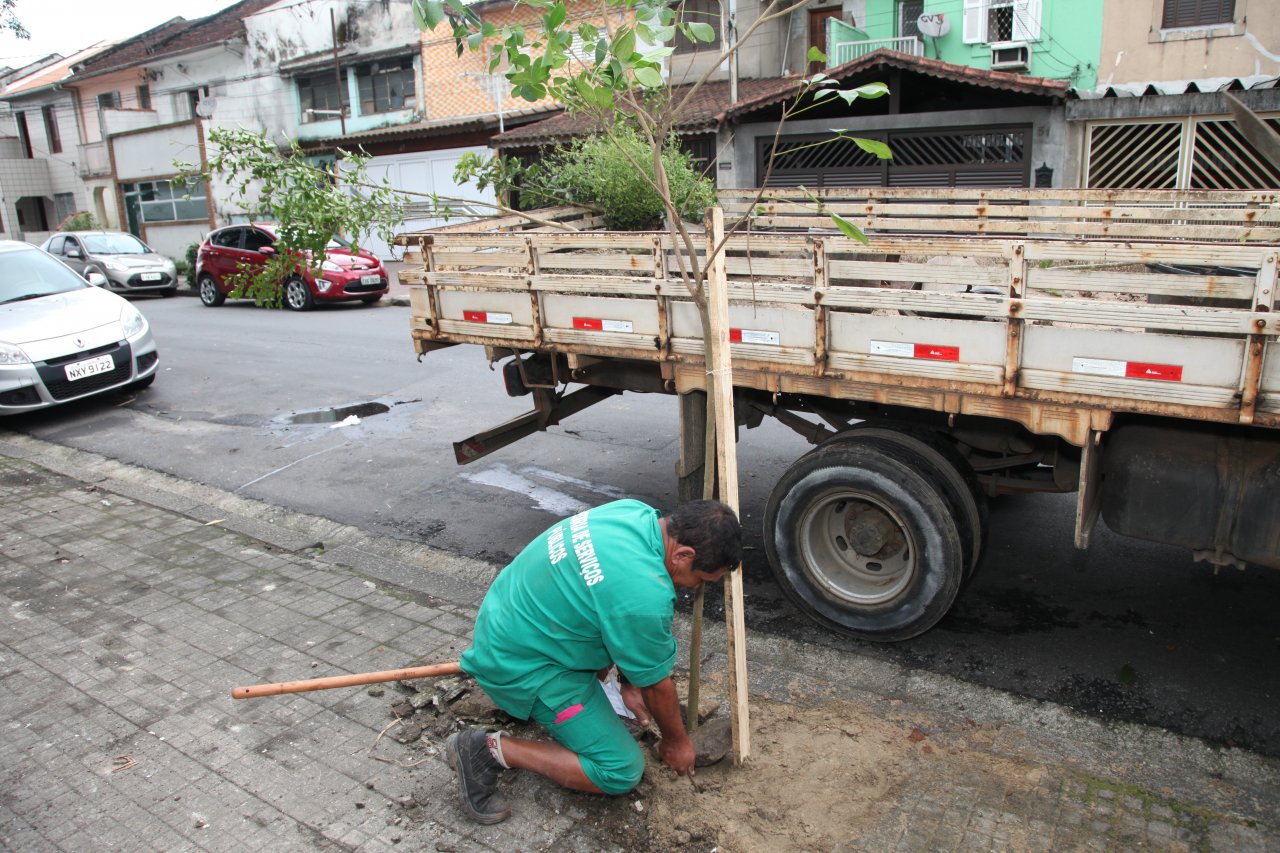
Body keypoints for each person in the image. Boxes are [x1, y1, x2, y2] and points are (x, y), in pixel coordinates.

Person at [444, 498, 742, 824]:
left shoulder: (633, 514)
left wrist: (629, 682)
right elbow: (657, 687)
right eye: (701, 580)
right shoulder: (644, 595)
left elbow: (614, 608)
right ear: (683, 555)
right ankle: (484, 750)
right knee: (620, 770)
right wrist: (676, 742)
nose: (696, 587)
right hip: (523, 664)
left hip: (506, 614)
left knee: (615, 639)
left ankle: (589, 703)